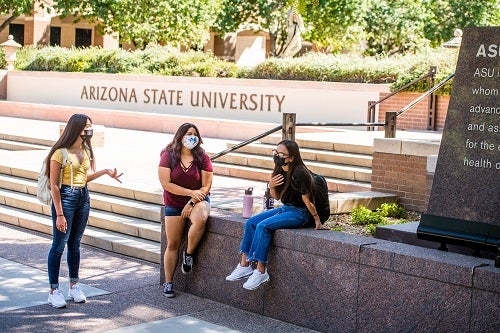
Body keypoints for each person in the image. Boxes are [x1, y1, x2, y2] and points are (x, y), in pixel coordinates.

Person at [226, 139, 328, 290]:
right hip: (287, 208)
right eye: (276, 152)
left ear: (292, 157)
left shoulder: (299, 172)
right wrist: (271, 185)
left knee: (263, 226)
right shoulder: (280, 169)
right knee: (251, 223)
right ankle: (244, 265)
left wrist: (317, 221)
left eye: (281, 154)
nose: (277, 156)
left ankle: (261, 271)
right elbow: (277, 197)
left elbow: (307, 200)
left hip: (302, 213)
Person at [46, 113, 123, 308]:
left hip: (83, 197)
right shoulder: (60, 152)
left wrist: (105, 172)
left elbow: (84, 178)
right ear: (76, 128)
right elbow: (54, 185)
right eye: (86, 126)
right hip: (66, 198)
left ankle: (74, 285)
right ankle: (54, 291)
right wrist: (60, 213)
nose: (89, 129)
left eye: (90, 125)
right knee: (59, 244)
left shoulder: (86, 150)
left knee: (75, 243)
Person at [158, 122, 213, 298]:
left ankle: (188, 254)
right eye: (189, 133)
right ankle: (168, 282)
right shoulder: (168, 155)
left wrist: (191, 201)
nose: (192, 137)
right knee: (172, 243)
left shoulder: (202, 157)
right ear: (180, 136)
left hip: (198, 201)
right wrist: (190, 192)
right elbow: (166, 184)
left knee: (201, 218)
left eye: (195, 134)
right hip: (174, 202)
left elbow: (206, 185)